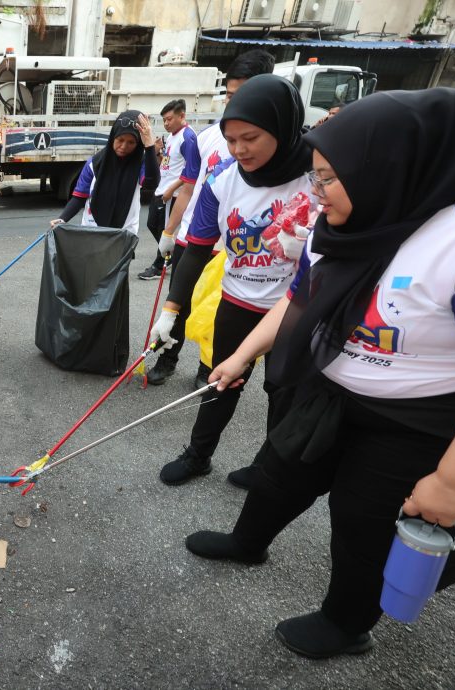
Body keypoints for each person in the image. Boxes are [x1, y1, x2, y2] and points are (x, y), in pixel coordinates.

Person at [185, 88, 455, 660]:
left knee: (362, 523)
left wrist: (454, 481)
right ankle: (248, 543)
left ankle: (347, 623)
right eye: (312, 178)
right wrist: (241, 356)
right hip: (332, 390)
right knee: (278, 472)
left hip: (416, 422)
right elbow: (296, 301)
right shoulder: (345, 219)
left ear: (384, 170)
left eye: (325, 180)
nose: (314, 195)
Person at [149, 74, 313, 486]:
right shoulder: (223, 179)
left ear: (282, 127)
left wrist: (311, 244)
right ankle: (198, 455)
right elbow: (198, 248)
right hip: (238, 299)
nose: (239, 149)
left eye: (251, 138)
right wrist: (171, 311)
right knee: (221, 380)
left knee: (283, 394)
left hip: (295, 308)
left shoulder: (317, 174)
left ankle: (267, 468)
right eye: (231, 138)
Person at [147, 49, 276, 390]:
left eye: (244, 95)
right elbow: (189, 188)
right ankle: (167, 357)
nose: (235, 104)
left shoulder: (270, 142)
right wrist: (170, 231)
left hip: (235, 248)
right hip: (196, 238)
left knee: (220, 315)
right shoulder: (204, 138)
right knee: (180, 302)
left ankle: (211, 366)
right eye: (231, 95)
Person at [49, 111, 158, 235]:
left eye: (131, 142)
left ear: (138, 143)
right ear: (113, 137)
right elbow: (79, 197)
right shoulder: (94, 164)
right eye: (120, 140)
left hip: (123, 234)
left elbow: (152, 182)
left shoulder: (141, 163)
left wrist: (149, 145)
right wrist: (62, 218)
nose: (124, 146)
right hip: (92, 232)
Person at [138, 98, 199, 281]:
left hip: (173, 194)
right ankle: (171, 255)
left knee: (165, 229)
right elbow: (167, 165)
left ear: (182, 116)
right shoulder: (172, 137)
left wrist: (171, 189)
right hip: (161, 190)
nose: (166, 123)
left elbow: (192, 171)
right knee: (152, 224)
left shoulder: (188, 137)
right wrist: (156, 152)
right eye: (164, 120)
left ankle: (159, 264)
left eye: (169, 119)